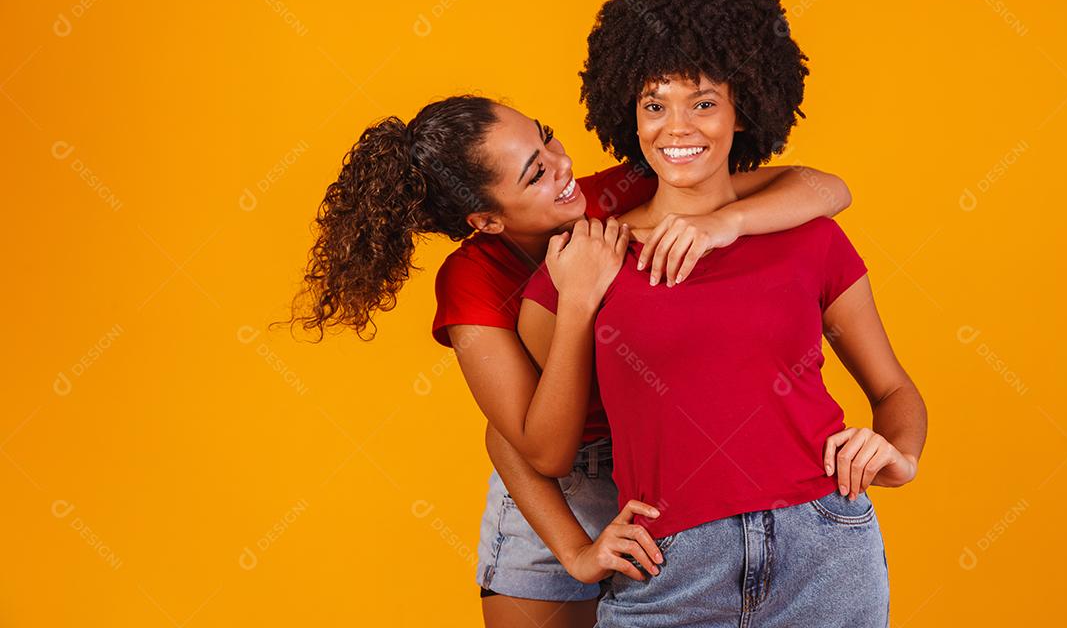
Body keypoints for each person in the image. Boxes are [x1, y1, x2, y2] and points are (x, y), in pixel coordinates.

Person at [284, 96, 851, 627]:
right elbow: (536, 447)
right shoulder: (472, 283)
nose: (563, 165)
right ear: (486, 221)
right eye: (535, 172)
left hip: (661, 475)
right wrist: (577, 300)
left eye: (548, 139)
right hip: (556, 495)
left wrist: (724, 222)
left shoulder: (608, 195)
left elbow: (824, 188)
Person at [517, 0, 928, 627]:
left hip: (825, 549)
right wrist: (582, 303)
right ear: (629, 111)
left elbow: (894, 392)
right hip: (670, 565)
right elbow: (541, 448)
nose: (676, 129)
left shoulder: (809, 238)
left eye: (703, 102)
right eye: (655, 104)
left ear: (745, 110)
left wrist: (900, 455)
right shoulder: (583, 260)